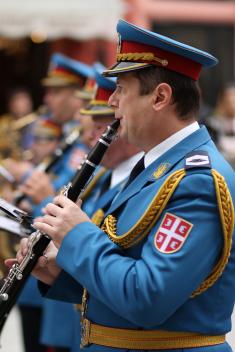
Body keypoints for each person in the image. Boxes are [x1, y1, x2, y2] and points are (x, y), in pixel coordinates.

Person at [11, 20, 235, 352]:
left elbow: (148, 299)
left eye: (121, 90)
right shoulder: (156, 166)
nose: (112, 102)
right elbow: (126, 281)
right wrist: (63, 271)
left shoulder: (196, 180)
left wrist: (78, 235)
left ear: (160, 97)